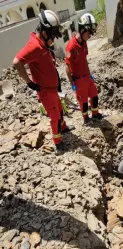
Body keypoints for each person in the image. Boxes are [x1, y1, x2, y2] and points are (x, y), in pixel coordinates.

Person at [13, 10, 74, 153]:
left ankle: (63, 128)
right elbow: (17, 62)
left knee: (60, 110)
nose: (54, 40)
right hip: (46, 91)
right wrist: (29, 82)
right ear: (45, 33)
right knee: (55, 117)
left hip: (53, 89)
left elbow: (42, 56)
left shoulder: (42, 44)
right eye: (53, 37)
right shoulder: (34, 46)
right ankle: (58, 143)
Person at [65, 13, 104, 124]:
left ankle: (95, 114)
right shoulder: (71, 46)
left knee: (94, 95)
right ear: (82, 30)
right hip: (78, 79)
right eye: (89, 33)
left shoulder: (84, 43)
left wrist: (89, 73)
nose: (90, 36)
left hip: (86, 76)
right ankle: (86, 118)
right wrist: (72, 82)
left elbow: (84, 60)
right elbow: (67, 66)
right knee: (83, 101)